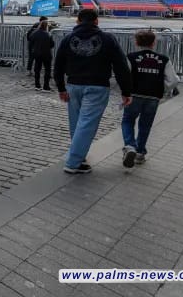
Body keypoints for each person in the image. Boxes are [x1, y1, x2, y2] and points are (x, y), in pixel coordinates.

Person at [54, 9, 132, 174]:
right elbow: (121, 66)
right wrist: (126, 91)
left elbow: (58, 64)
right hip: (97, 86)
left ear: (77, 21)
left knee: (76, 124)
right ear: (97, 21)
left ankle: (79, 157)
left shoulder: (68, 39)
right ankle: (73, 162)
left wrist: (61, 87)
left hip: (73, 85)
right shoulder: (108, 39)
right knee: (87, 124)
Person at [121, 30, 179, 168]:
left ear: (136, 42)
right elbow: (173, 80)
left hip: (134, 95)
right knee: (145, 125)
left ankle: (130, 146)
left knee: (127, 121)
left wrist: (125, 91)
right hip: (153, 97)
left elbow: (124, 76)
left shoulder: (131, 57)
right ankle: (140, 153)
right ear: (154, 43)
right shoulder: (163, 59)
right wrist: (161, 89)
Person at [30, 20, 54, 91]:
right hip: (46, 54)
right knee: (47, 70)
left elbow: (31, 42)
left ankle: (37, 85)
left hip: (37, 54)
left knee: (37, 69)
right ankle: (46, 86)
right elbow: (52, 44)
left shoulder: (34, 33)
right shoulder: (48, 34)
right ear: (46, 26)